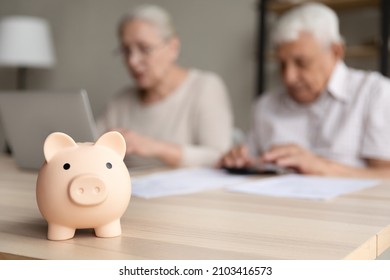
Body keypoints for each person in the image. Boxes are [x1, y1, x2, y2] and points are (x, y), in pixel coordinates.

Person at [219, 3, 390, 178]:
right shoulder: (265, 105)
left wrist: (322, 167)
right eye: (282, 64)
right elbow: (252, 161)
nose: (289, 77)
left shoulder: (374, 94)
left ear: (336, 51)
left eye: (302, 63)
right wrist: (240, 162)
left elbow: (386, 175)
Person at [97, 4, 233, 168]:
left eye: (144, 48)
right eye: (126, 51)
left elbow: (220, 157)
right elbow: (90, 146)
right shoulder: (120, 102)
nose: (133, 61)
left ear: (173, 47)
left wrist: (154, 147)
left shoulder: (204, 87)